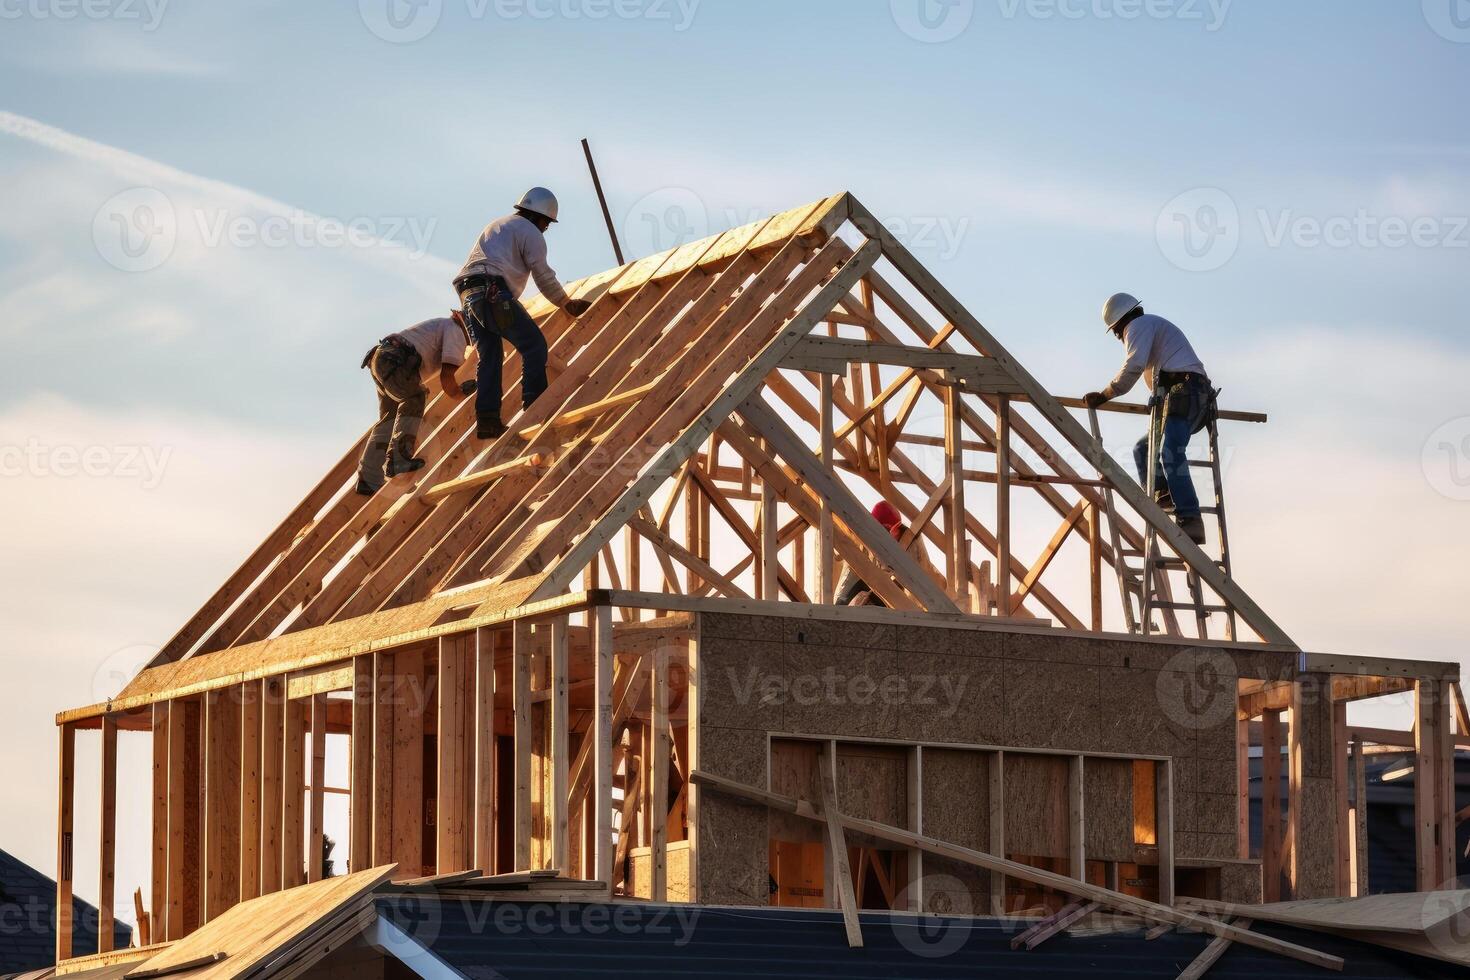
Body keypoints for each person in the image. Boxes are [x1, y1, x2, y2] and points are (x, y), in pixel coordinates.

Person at [454, 187, 592, 439]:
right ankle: (535, 405)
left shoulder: (497, 225)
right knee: (534, 345)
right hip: (492, 290)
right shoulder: (530, 232)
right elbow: (542, 274)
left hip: (468, 293)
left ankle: (487, 421)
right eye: (546, 223)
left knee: (490, 356)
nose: (546, 228)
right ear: (539, 217)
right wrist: (565, 302)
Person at [1084, 292, 1215, 545]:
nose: (1118, 336)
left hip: (1186, 393)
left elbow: (1134, 365)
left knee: (1170, 452)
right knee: (1143, 449)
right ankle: (1162, 494)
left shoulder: (1138, 325)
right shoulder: (1151, 327)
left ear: (1121, 322)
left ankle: (1190, 517)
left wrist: (1106, 394)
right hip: (1181, 397)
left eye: (1116, 331)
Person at [355, 311, 475, 496]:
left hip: (382, 359)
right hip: (394, 360)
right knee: (415, 398)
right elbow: (446, 378)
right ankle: (399, 458)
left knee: (390, 418)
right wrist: (460, 393)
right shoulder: (455, 331)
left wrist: (457, 390)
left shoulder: (442, 326)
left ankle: (367, 478)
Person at [835, 500, 939, 606]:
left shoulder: (909, 546)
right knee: (850, 595)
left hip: (898, 596)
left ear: (895, 529)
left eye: (882, 530)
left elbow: (914, 588)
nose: (877, 535)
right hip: (874, 587)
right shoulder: (872, 542)